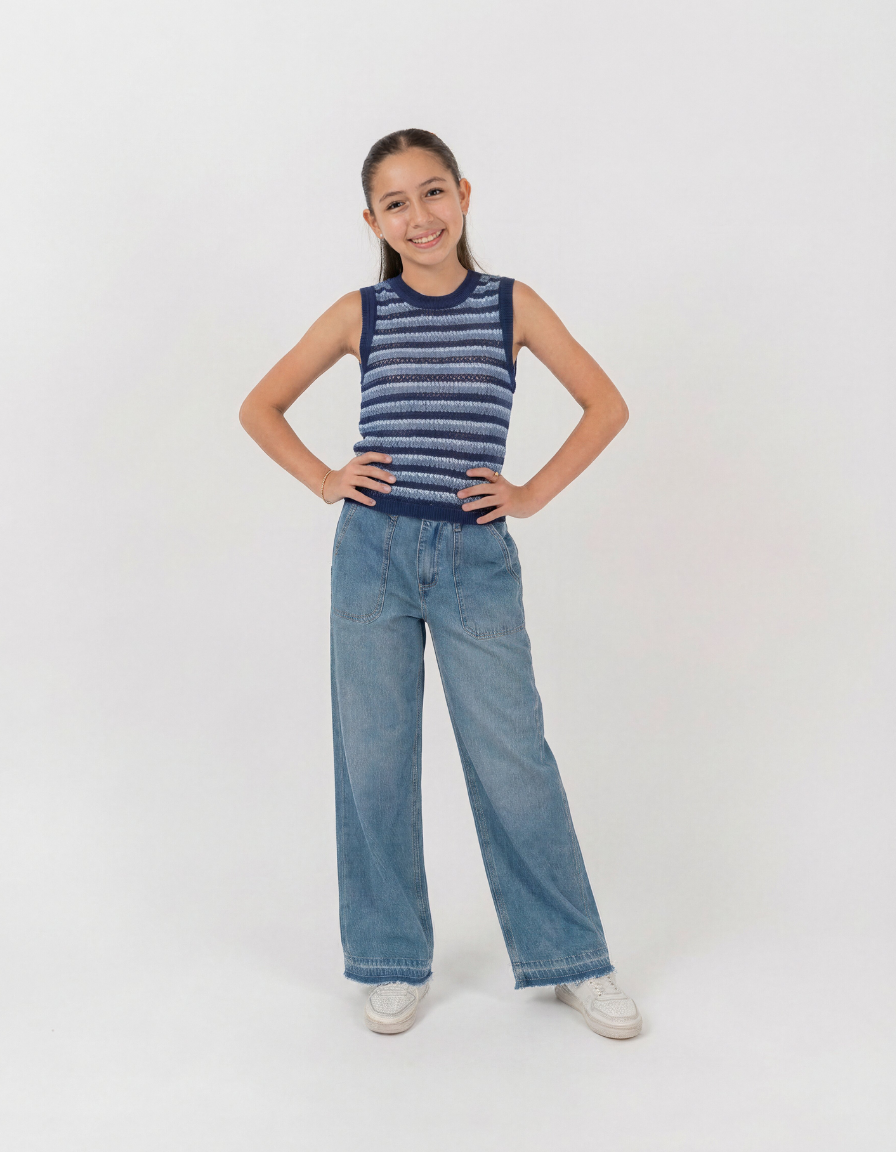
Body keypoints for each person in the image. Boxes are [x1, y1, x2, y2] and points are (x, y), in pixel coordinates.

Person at [239, 129, 641, 1040]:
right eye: (395, 203)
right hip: (371, 553)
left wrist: (529, 494)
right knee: (374, 758)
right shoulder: (360, 313)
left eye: (432, 192)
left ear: (463, 194)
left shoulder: (510, 305)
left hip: (475, 559)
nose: (418, 216)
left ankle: (573, 957)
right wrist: (325, 477)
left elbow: (606, 404)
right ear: (372, 220)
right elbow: (259, 406)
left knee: (514, 759)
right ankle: (390, 959)